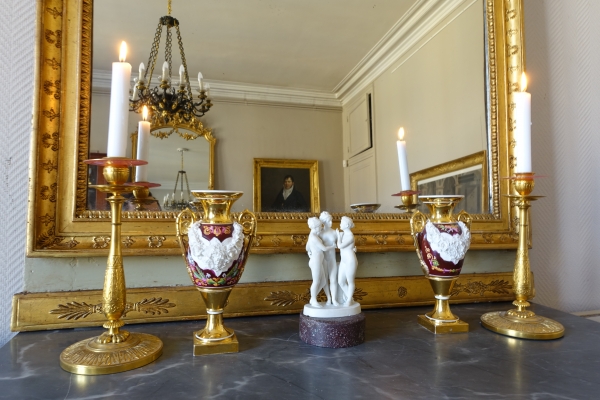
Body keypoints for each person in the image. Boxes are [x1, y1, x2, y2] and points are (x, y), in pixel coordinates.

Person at [306, 217, 333, 307]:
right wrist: (333, 246)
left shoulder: (312, 235)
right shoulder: (313, 237)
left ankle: (312, 297)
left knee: (323, 282)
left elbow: (307, 247)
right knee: (316, 281)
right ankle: (314, 300)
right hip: (316, 261)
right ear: (315, 227)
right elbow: (324, 248)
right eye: (319, 227)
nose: (321, 228)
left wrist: (310, 252)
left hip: (317, 260)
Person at [336, 216, 358, 306]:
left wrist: (338, 236)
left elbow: (340, 246)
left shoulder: (350, 236)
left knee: (350, 281)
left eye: (341, 223)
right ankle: (350, 297)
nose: (340, 224)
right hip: (343, 261)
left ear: (347, 225)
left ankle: (349, 300)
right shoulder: (344, 234)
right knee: (341, 281)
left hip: (350, 261)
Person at [319, 211, 339, 306]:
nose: (331, 223)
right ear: (324, 222)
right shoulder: (320, 233)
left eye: (331, 221)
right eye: (329, 221)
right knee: (325, 279)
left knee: (333, 279)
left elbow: (340, 245)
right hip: (323, 259)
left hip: (332, 259)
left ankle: (334, 299)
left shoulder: (335, 232)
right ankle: (329, 298)